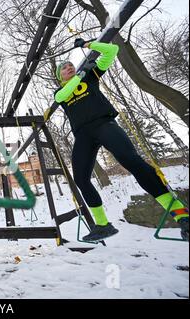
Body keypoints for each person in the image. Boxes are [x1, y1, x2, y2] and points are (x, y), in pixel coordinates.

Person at [51, 38, 188, 242]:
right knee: (80, 178)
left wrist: (88, 45)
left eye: (71, 65)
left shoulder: (89, 76)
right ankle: (103, 225)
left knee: (132, 161)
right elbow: (62, 96)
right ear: (59, 76)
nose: (69, 67)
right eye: (64, 68)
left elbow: (111, 50)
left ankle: (182, 216)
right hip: (83, 135)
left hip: (104, 125)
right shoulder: (61, 91)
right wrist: (78, 76)